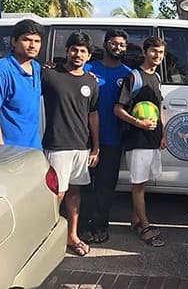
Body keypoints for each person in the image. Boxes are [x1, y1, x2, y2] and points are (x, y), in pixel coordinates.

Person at [41, 32, 100, 257]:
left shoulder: (91, 82)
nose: (78, 54)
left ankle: (71, 235)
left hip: (81, 147)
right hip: (57, 146)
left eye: (83, 51)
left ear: (89, 55)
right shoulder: (49, 75)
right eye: (74, 49)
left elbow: (93, 116)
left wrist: (95, 147)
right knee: (56, 194)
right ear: (66, 51)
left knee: (75, 193)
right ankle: (45, 237)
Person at [79, 29, 132, 244]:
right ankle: (83, 227)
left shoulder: (129, 74)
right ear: (105, 44)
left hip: (113, 138)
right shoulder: (89, 69)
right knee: (84, 185)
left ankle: (101, 225)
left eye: (122, 45)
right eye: (114, 43)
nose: (117, 47)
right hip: (85, 138)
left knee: (106, 187)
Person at [114, 36, 167, 247]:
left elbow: (158, 109)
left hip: (152, 140)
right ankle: (145, 226)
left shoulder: (156, 78)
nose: (157, 56)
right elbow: (117, 109)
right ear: (145, 52)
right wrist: (138, 123)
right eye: (154, 51)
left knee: (143, 183)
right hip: (137, 140)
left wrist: (162, 134)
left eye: (161, 53)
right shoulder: (133, 77)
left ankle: (135, 220)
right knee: (138, 186)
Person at [0, 19, 44, 149]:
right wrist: (0, 151)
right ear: (14, 41)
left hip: (32, 150)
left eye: (37, 41)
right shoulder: (0, 70)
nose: (32, 45)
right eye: (26, 40)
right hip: (8, 152)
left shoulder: (36, 68)